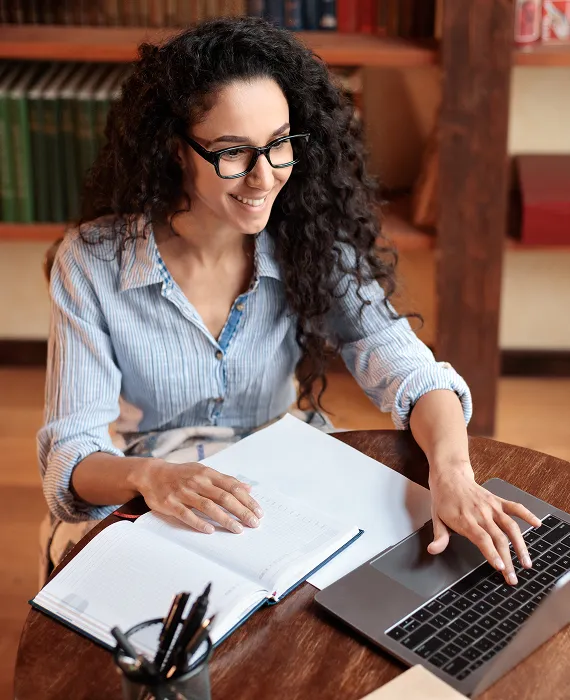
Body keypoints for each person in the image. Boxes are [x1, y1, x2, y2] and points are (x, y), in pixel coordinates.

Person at [38, 16, 540, 585]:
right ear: (177, 150)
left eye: (279, 145)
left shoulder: (310, 238)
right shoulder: (95, 260)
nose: (264, 177)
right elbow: (72, 458)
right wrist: (152, 477)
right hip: (149, 483)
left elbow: (413, 372)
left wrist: (453, 473)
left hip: (285, 468)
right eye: (233, 152)